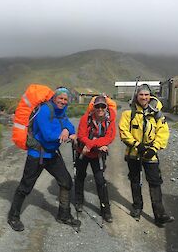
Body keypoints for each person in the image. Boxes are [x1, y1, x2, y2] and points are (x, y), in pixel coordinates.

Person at [7, 87, 81, 231]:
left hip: (52, 154)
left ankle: (63, 215)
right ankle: (13, 217)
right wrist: (65, 134)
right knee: (25, 187)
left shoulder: (62, 111)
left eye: (65, 100)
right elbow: (47, 136)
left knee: (66, 182)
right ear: (54, 97)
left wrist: (67, 130)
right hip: (37, 155)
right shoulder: (44, 111)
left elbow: (69, 124)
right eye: (60, 98)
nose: (63, 102)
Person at [119, 84, 174, 226]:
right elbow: (124, 132)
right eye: (141, 95)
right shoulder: (128, 113)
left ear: (150, 96)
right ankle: (137, 207)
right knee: (135, 180)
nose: (144, 97)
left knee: (155, 183)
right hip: (133, 153)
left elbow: (163, 132)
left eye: (146, 95)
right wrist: (137, 145)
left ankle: (160, 215)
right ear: (136, 96)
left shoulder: (157, 114)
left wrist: (154, 148)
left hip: (151, 154)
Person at [74, 95, 116, 223]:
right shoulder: (85, 119)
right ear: (93, 107)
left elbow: (110, 138)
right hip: (82, 152)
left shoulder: (110, 121)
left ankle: (106, 210)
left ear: (106, 107)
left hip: (95, 154)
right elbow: (81, 135)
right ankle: (79, 201)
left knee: (100, 181)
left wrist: (91, 144)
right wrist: (98, 143)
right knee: (80, 176)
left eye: (103, 106)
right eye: (97, 106)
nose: (100, 108)